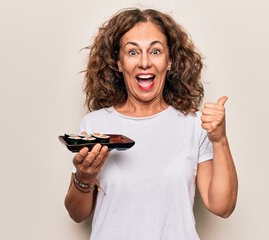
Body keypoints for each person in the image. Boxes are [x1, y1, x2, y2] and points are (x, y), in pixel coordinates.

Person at [64, 8, 238, 240]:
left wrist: (220, 140)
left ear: (169, 61)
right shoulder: (96, 124)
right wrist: (84, 178)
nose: (144, 62)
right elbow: (77, 214)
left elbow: (222, 207)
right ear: (118, 62)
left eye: (155, 51)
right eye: (133, 52)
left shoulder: (194, 125)